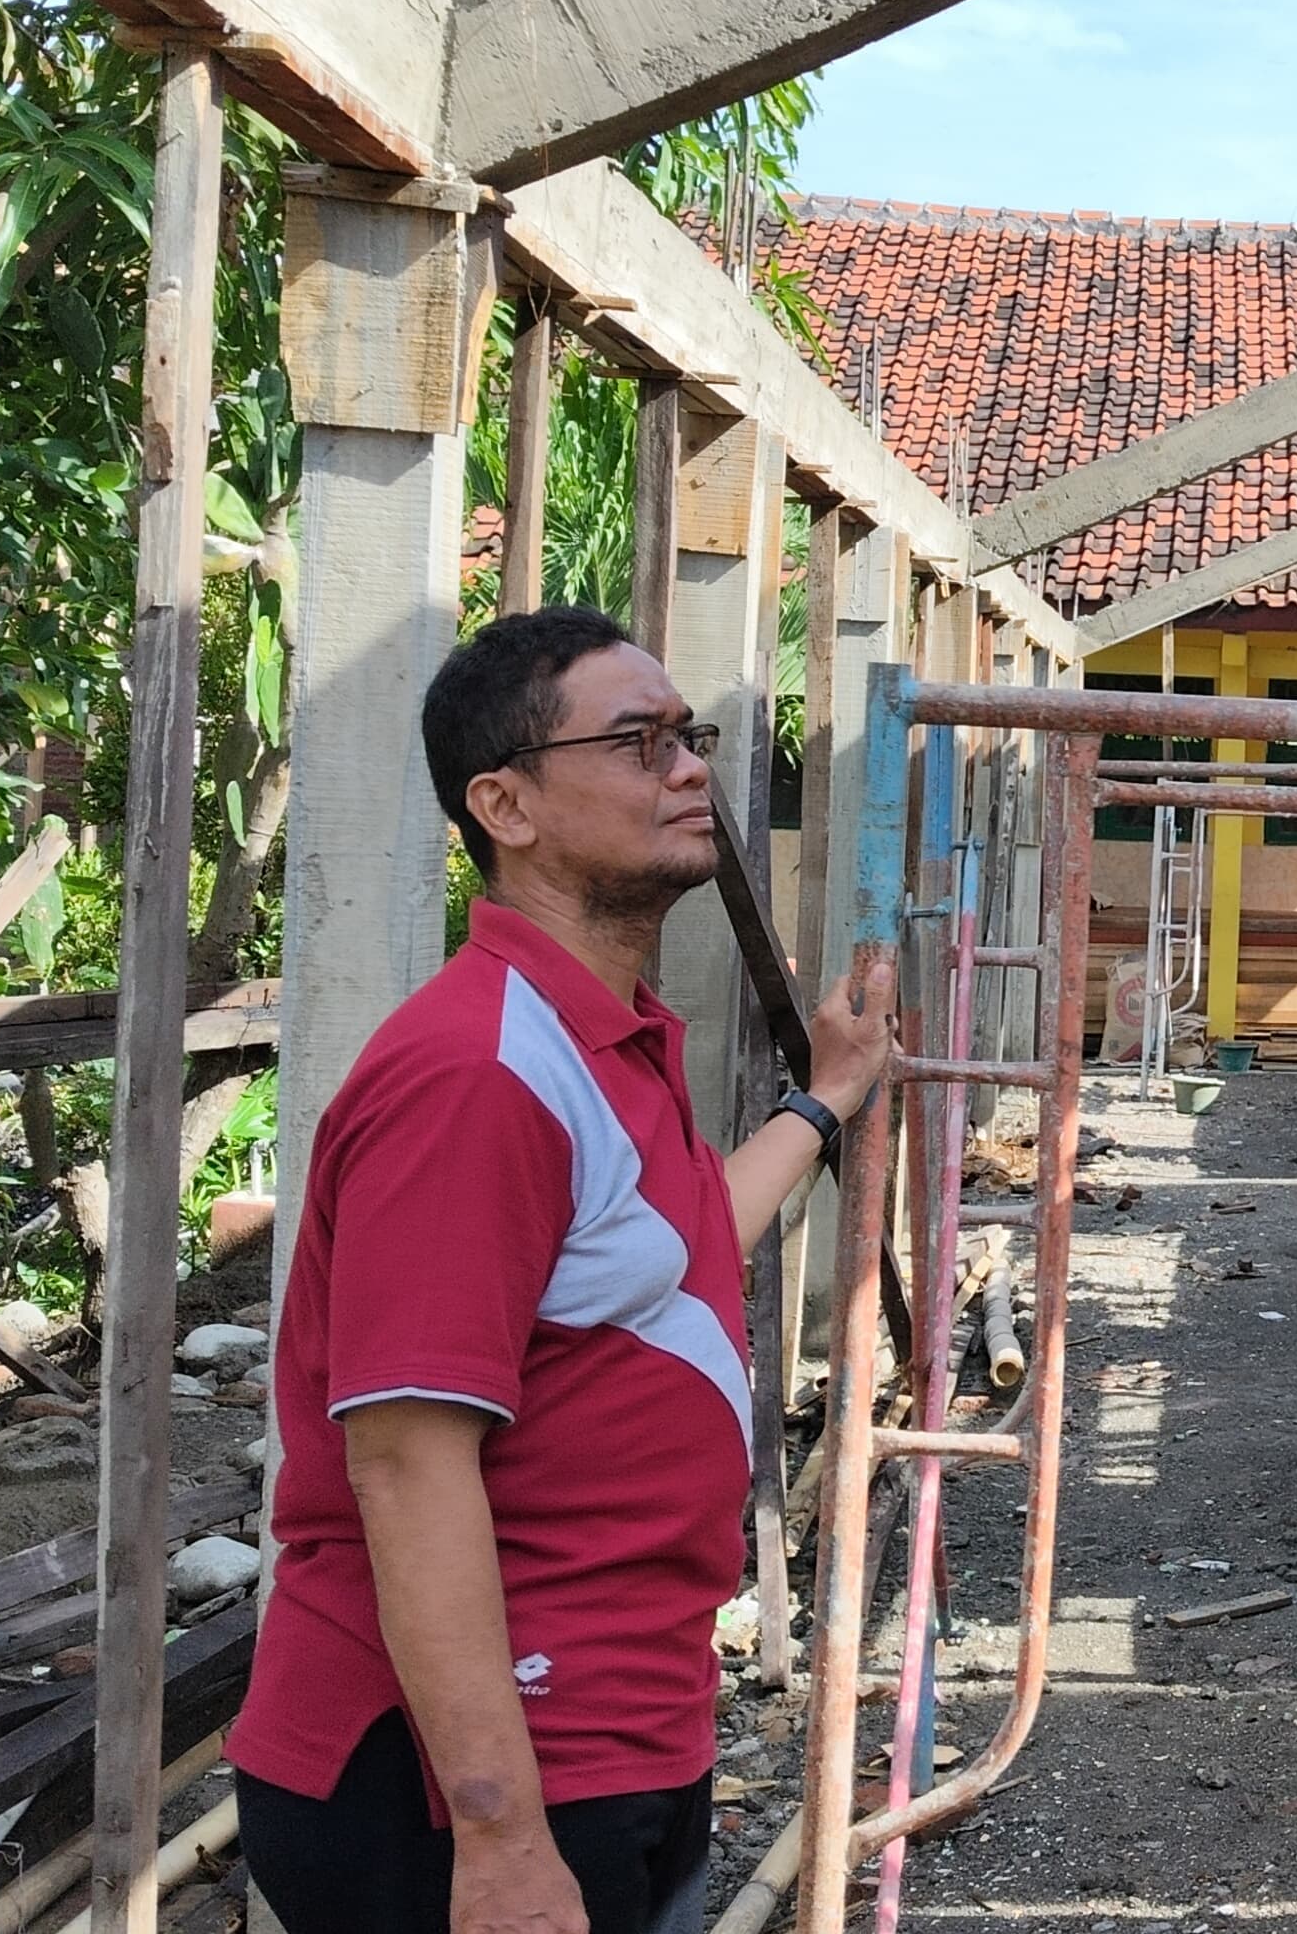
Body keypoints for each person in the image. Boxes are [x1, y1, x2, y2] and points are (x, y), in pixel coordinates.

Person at [232, 605, 895, 1934]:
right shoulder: (476, 1075)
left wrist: (820, 1105)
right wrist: (499, 1832)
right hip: (454, 1780)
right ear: (507, 805)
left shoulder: (599, 1040)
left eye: (688, 736)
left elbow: (681, 1248)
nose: (692, 768)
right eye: (639, 742)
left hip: (613, 1726)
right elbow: (406, 1461)